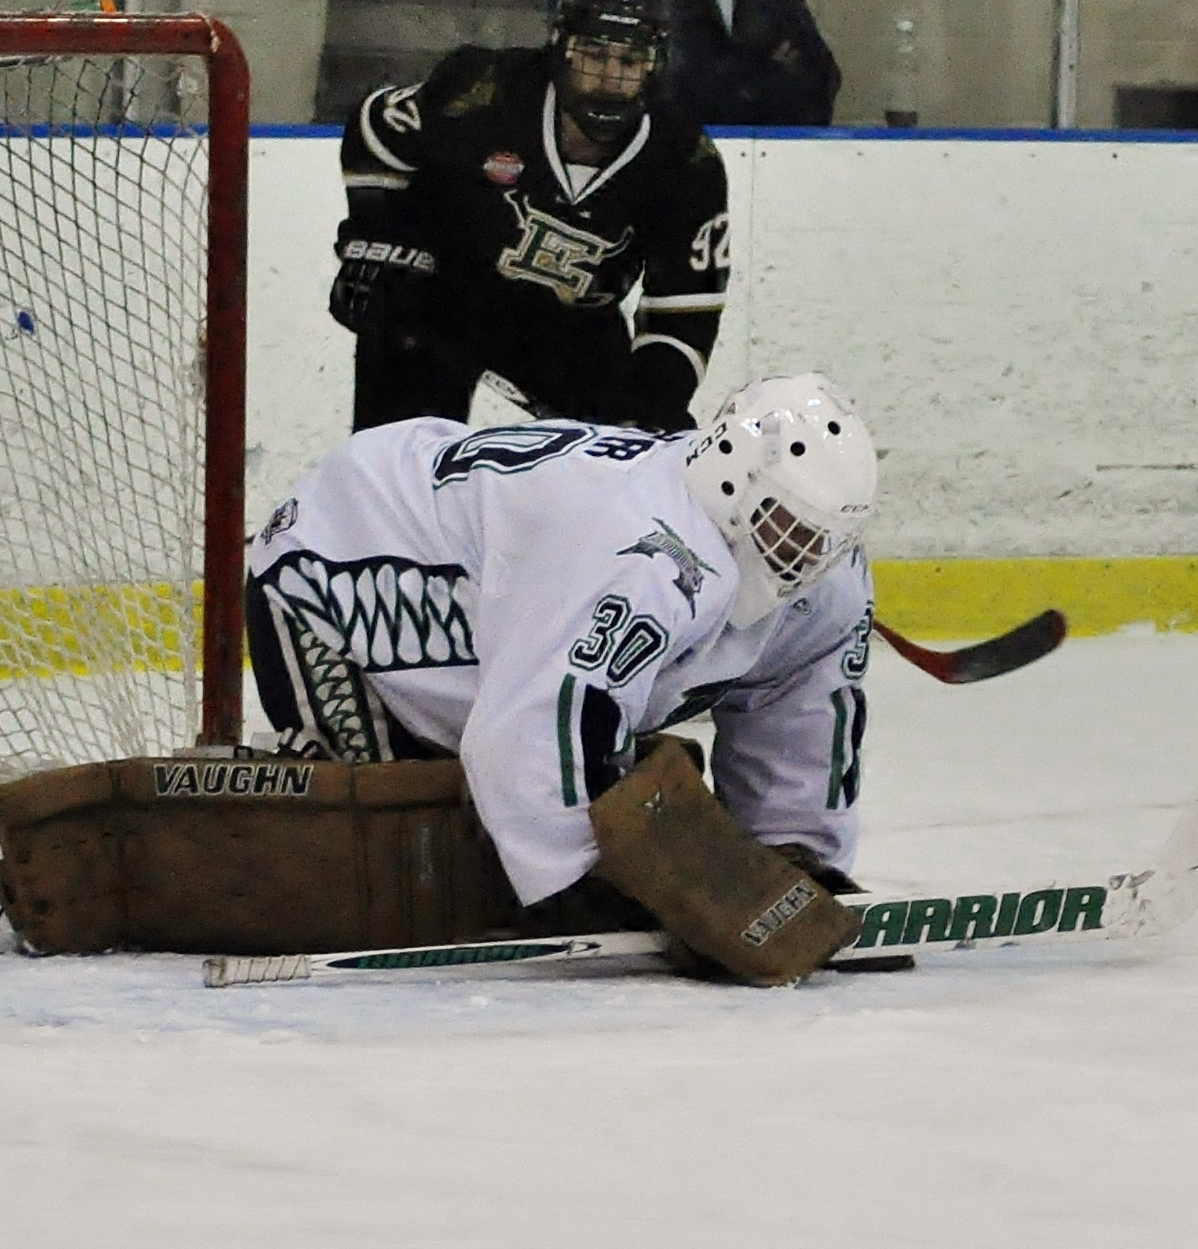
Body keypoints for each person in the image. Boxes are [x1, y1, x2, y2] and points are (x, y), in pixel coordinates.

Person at [245, 374, 902, 981]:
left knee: (518, 807)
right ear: (733, 481)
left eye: (825, 539)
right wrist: (596, 881)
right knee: (420, 843)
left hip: (477, 586)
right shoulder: (640, 547)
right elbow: (534, 723)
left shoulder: (822, 577)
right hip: (334, 561)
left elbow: (804, 706)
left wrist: (793, 859)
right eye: (789, 528)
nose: (807, 557)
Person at [329, 0, 730, 434]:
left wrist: (649, 405)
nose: (610, 79)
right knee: (395, 456)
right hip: (444, 293)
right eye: (594, 54)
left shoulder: (687, 164)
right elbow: (376, 129)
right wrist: (378, 242)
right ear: (561, 49)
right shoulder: (484, 89)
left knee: (650, 441)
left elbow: (683, 317)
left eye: (630, 61)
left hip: (569, 327)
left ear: (655, 67)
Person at [660, 0, 840, 127]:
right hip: (693, 146)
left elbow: (823, 77)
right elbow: (685, 83)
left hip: (776, 145)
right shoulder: (670, 10)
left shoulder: (783, 8)